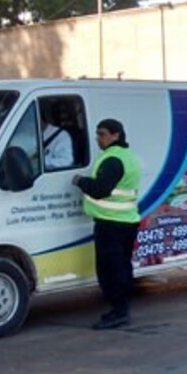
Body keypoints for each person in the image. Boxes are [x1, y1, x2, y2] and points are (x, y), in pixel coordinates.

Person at [72, 119, 142, 329]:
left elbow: (100, 189)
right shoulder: (127, 157)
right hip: (125, 221)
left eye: (102, 134)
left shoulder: (113, 160)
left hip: (111, 223)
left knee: (110, 269)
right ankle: (120, 309)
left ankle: (119, 312)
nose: (98, 139)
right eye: (97, 134)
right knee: (121, 267)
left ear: (116, 135)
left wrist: (80, 181)